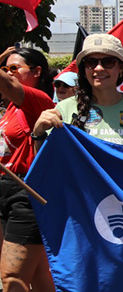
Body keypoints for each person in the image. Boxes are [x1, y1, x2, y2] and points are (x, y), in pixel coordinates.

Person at [33, 34, 123, 148]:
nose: (99, 68)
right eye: (91, 62)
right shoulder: (64, 109)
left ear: (120, 68)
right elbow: (47, 164)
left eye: (108, 62)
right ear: (84, 69)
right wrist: (38, 134)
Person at [0, 46, 55, 292]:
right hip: (4, 190)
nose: (8, 74)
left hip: (26, 192)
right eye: (4, 69)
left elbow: (9, 86)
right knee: (40, 277)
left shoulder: (39, 100)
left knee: (12, 278)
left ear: (36, 72)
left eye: (14, 68)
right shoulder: (10, 107)